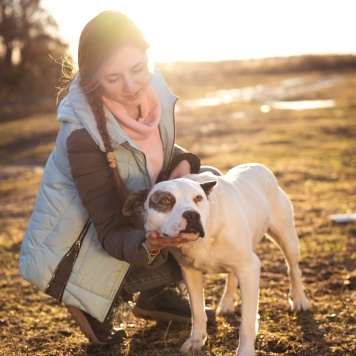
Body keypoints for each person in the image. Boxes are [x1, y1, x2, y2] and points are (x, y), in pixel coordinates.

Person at [18, 10, 221, 346]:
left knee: (208, 183)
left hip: (120, 221)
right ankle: (90, 297)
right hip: (78, 251)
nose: (130, 86)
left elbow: (149, 156)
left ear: (147, 56)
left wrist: (181, 164)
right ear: (92, 78)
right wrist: (150, 244)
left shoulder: (152, 91)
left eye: (137, 69)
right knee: (170, 227)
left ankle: (157, 294)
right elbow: (110, 228)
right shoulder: (83, 136)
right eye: (113, 78)